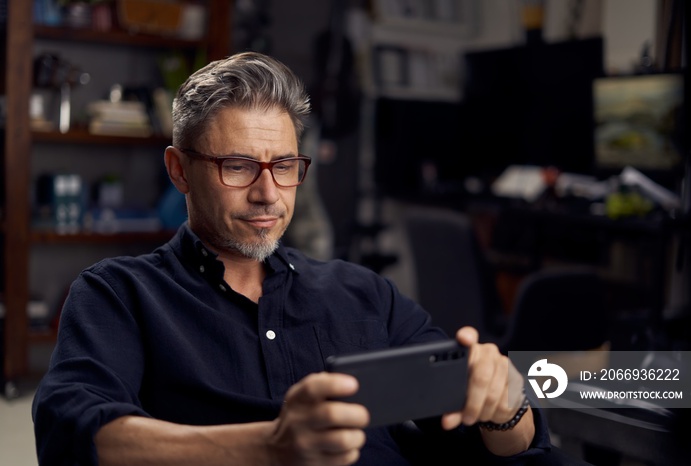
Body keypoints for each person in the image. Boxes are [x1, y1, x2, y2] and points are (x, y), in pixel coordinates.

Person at [32, 51, 551, 465]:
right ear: (179, 170)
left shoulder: (365, 293)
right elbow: (73, 434)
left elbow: (488, 448)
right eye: (237, 166)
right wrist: (270, 447)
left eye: (284, 165)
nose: (268, 194)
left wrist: (505, 409)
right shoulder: (119, 294)